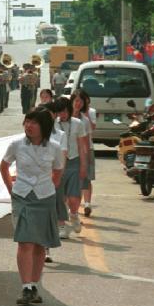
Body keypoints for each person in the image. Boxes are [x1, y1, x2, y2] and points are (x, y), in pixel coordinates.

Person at [0, 108, 65, 306]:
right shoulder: (16, 145)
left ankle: (34, 285)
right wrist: (11, 188)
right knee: (25, 241)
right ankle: (26, 286)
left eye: (34, 122)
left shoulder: (54, 147)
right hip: (22, 196)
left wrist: (50, 187)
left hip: (45, 197)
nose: (29, 125)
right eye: (27, 121)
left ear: (44, 127)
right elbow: (3, 166)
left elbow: (58, 170)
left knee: (39, 243)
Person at [55, 96, 89, 239]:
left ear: (69, 110)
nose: (62, 115)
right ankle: (61, 225)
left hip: (74, 162)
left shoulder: (78, 123)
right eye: (59, 112)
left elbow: (82, 146)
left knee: (74, 197)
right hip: (58, 164)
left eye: (64, 111)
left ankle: (74, 214)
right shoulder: (52, 124)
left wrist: (83, 165)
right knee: (59, 196)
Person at [72, 88, 97, 217]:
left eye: (81, 101)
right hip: (70, 153)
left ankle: (86, 204)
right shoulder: (64, 116)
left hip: (84, 152)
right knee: (71, 183)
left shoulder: (87, 117)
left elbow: (89, 134)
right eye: (76, 101)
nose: (78, 104)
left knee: (85, 179)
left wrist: (85, 157)